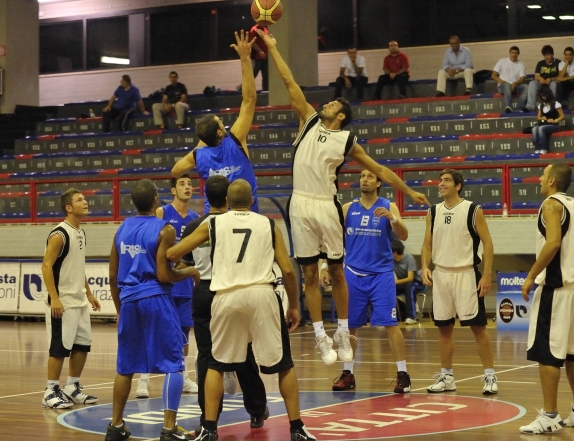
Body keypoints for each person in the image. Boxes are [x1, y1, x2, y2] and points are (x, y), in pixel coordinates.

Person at [256, 29, 429, 366]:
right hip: (300, 202)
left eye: (333, 104)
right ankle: (321, 336)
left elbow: (378, 169)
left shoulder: (347, 139)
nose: (327, 103)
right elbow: (290, 82)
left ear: (341, 117)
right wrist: (274, 49)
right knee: (308, 274)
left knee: (337, 271)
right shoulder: (307, 121)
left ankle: (344, 330)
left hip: (325, 203)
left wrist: (407, 191)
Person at [167, 179, 318, 441]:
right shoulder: (268, 224)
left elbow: (174, 252)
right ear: (251, 200)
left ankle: (209, 431)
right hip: (261, 294)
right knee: (283, 364)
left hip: (226, 295)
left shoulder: (212, 224)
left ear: (227, 199)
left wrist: (168, 246)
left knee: (214, 363)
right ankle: (297, 430)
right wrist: (293, 306)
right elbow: (286, 269)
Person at [106, 179, 200, 441]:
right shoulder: (164, 229)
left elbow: (113, 275)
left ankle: (116, 425)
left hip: (128, 300)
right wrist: (189, 272)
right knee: (173, 363)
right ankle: (169, 428)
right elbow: (163, 273)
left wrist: (119, 309)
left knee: (125, 367)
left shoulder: (121, 228)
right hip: (155, 298)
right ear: (156, 201)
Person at [179, 175, 269, 431]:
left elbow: (183, 263)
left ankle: (209, 419)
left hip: (205, 292)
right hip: (233, 289)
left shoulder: (196, 226)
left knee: (207, 357)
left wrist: (192, 270)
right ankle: (256, 409)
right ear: (229, 199)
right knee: (243, 353)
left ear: (205, 198)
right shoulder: (240, 224)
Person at [519, 163, 574, 434]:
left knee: (547, 353)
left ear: (551, 181)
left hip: (556, 290)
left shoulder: (551, 205)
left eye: (543, 175)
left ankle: (550, 415)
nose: (539, 178)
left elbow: (552, 243)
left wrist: (530, 276)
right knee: (572, 352)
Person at [320, 169, 411, 393]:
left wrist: (393, 219)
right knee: (349, 327)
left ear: (379, 182)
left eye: (370, 176)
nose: (364, 179)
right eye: (362, 176)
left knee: (391, 325)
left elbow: (404, 235)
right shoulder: (348, 209)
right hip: (352, 274)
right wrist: (324, 265)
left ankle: (403, 374)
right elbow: (332, 239)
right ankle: (348, 373)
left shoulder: (388, 207)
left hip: (381, 275)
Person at [420, 169, 497, 395]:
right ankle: (447, 377)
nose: (440, 184)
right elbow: (426, 244)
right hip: (441, 274)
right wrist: (425, 266)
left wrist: (486, 275)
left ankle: (490, 376)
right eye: (440, 180)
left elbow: (488, 243)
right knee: (444, 329)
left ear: (458, 185)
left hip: (466, 274)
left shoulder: (473, 210)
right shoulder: (432, 212)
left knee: (478, 327)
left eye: (446, 180)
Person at [171, 31, 258, 214]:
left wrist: (203, 141)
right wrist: (245, 59)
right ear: (219, 132)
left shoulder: (198, 155)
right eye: (220, 122)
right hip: (247, 216)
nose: (223, 123)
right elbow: (249, 98)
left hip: (214, 220)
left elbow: (175, 171)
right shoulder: (235, 139)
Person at [134, 174, 199, 398]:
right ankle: (143, 380)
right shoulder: (162, 213)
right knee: (152, 331)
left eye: (190, 184)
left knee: (183, 333)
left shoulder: (195, 217)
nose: (187, 187)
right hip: (164, 283)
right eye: (182, 184)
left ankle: (184, 375)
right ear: (173, 191)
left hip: (184, 284)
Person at [41, 189, 101, 409]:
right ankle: (50, 391)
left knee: (82, 346)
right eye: (79, 200)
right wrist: (55, 298)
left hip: (80, 300)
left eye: (84, 199)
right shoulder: (59, 234)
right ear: (68, 207)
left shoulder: (81, 232)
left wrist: (89, 292)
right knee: (59, 347)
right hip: (63, 302)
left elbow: (78, 266)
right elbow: (46, 266)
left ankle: (72, 387)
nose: (85, 202)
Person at [392, 240, 425, 325]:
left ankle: (411, 317)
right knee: (388, 289)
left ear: (395, 253)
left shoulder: (409, 258)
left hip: (417, 283)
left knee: (410, 286)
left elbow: (410, 278)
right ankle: (388, 316)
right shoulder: (391, 261)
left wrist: (395, 282)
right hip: (402, 284)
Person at [491, 46, 528, 113]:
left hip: (515, 86)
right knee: (507, 84)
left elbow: (522, 79)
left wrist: (515, 83)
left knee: (526, 87)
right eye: (512, 52)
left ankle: (519, 108)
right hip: (503, 85)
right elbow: (493, 75)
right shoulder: (502, 61)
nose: (514, 54)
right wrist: (502, 82)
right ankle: (509, 106)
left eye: (516, 53)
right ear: (509, 53)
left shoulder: (521, 64)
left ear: (518, 54)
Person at [526, 45, 561, 112]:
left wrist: (551, 79)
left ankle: (552, 105)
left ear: (552, 54)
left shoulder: (558, 63)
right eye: (545, 55)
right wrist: (540, 79)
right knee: (532, 83)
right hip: (541, 84)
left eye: (548, 55)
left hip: (552, 83)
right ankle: (530, 106)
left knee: (553, 84)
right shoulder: (540, 63)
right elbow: (536, 76)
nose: (546, 57)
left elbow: (560, 77)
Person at [532, 85, 565, 155]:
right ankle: (537, 148)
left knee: (541, 129)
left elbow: (562, 116)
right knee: (534, 129)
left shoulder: (556, 104)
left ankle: (544, 148)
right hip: (544, 123)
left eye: (544, 96)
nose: (543, 98)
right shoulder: (541, 106)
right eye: (542, 96)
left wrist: (555, 120)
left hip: (553, 125)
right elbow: (538, 117)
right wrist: (542, 118)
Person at [250, 24, 269, 91]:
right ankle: (242, 89)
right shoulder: (254, 29)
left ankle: (266, 91)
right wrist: (260, 52)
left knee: (266, 76)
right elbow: (253, 43)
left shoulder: (265, 29)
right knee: (252, 75)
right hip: (257, 58)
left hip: (265, 57)